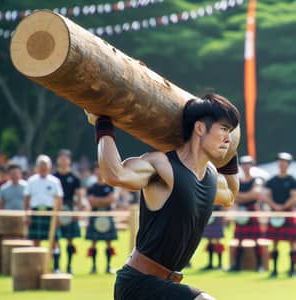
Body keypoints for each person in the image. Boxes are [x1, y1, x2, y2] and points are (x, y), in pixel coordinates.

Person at [85, 93, 240, 300]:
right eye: (223, 129)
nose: (228, 138)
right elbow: (115, 174)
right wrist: (103, 123)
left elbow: (230, 194)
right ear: (200, 128)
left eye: (230, 132)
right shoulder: (162, 166)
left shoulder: (212, 176)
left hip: (166, 285)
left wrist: (231, 154)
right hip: (138, 285)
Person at [24, 154, 63, 273]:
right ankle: (37, 267)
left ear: (49, 167)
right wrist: (27, 214)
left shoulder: (55, 181)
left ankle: (56, 267)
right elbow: (27, 199)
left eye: (45, 166)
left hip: (50, 212)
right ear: (37, 167)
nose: (43, 168)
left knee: (54, 241)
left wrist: (57, 216)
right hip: (36, 212)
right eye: (41, 166)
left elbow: (59, 199)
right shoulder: (31, 181)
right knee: (36, 240)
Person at [262, 152, 296, 278]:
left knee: (292, 242)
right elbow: (266, 195)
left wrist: (282, 207)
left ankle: (292, 270)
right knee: (274, 242)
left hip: (287, 213)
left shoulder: (292, 180)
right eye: (280, 161)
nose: (281, 164)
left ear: (288, 164)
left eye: (284, 162)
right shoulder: (272, 180)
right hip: (275, 212)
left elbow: (294, 197)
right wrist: (275, 206)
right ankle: (274, 270)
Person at [229, 155, 263, 272]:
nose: (246, 166)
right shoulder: (238, 181)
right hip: (241, 211)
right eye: (243, 164)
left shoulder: (257, 180)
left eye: (248, 164)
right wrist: (246, 197)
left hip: (252, 211)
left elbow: (255, 194)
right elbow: (233, 195)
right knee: (238, 239)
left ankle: (259, 265)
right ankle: (236, 265)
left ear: (251, 165)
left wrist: (240, 197)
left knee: (256, 239)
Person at [53, 149, 83, 274]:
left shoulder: (75, 178)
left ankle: (69, 267)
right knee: (56, 239)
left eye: (66, 158)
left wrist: (77, 211)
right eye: (61, 158)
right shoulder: (53, 177)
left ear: (70, 161)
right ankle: (56, 267)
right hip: (56, 209)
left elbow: (79, 196)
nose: (64, 161)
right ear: (57, 160)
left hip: (70, 208)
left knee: (70, 239)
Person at [85, 163, 117, 274]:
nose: (99, 172)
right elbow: (91, 201)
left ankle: (108, 266)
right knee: (93, 242)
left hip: (107, 215)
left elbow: (111, 200)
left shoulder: (110, 186)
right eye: (97, 170)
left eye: (101, 169)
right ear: (94, 172)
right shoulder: (91, 188)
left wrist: (98, 201)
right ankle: (93, 267)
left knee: (109, 242)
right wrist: (104, 200)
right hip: (95, 215)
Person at [201, 205, 225, 270]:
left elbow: (223, 205)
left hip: (218, 215)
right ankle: (210, 264)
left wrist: (223, 216)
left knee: (218, 241)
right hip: (210, 213)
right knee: (209, 240)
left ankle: (220, 264)